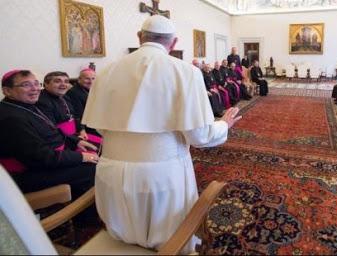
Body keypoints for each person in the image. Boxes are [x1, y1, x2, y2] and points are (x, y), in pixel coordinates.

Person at [81, 15, 242, 252]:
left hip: (110, 172)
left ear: (139, 37)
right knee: (169, 236)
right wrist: (224, 125)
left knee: (123, 232)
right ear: (174, 43)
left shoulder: (106, 71)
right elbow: (200, 136)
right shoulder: (185, 72)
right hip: (162, 175)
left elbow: (99, 126)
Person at [0, 70, 97, 199]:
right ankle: (83, 218)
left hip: (45, 161)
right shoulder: (11, 118)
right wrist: (80, 157)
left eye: (36, 83)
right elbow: (40, 157)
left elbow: (51, 130)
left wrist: (75, 141)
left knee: (93, 157)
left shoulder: (25, 105)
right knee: (91, 169)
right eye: (26, 85)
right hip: (25, 174)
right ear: (7, 91)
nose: (35, 89)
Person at [37, 71, 81, 137]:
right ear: (46, 84)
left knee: (101, 141)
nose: (63, 84)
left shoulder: (65, 96)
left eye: (66, 81)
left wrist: (81, 130)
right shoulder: (42, 101)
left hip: (74, 134)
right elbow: (51, 128)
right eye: (57, 81)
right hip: (61, 139)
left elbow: (74, 115)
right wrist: (76, 140)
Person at [66, 68, 101, 144]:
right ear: (79, 79)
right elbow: (77, 113)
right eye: (87, 79)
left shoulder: (90, 89)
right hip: (86, 128)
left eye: (93, 78)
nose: (91, 81)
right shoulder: (74, 93)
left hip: (93, 124)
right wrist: (81, 130)